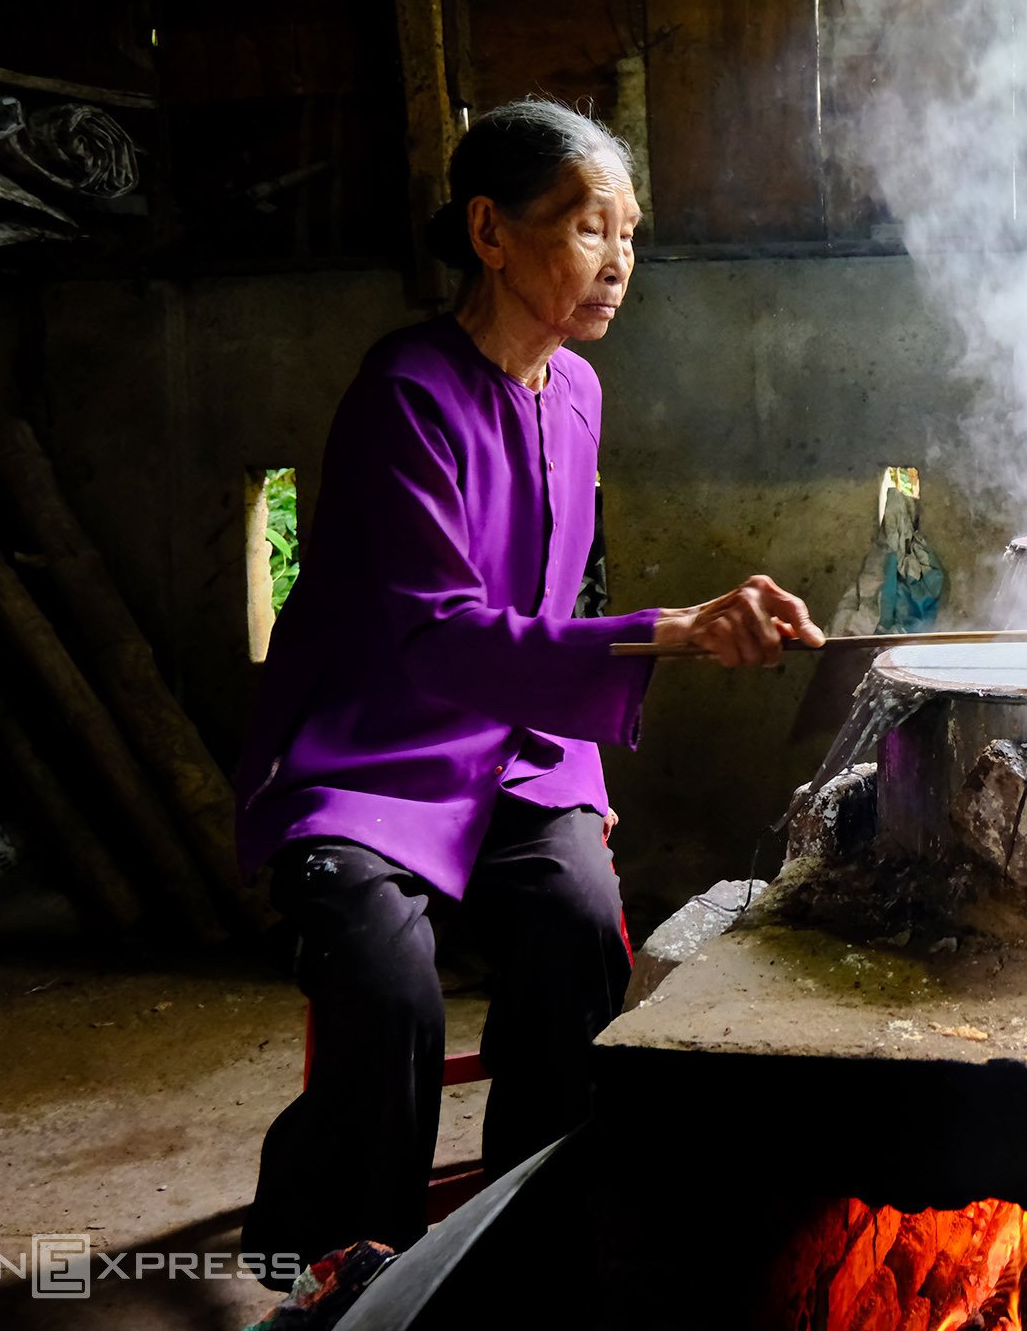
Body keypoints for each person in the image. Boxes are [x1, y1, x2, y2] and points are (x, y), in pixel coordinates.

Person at [234, 99, 823, 1272]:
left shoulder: (579, 394)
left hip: (520, 742)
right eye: (588, 228)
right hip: (370, 754)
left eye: (630, 233)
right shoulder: (405, 394)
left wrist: (584, 770)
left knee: (578, 934)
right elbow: (444, 637)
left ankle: (525, 1233)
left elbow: (554, 605)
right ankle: (350, 1255)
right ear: (491, 232)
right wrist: (670, 631)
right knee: (389, 983)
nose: (619, 262)